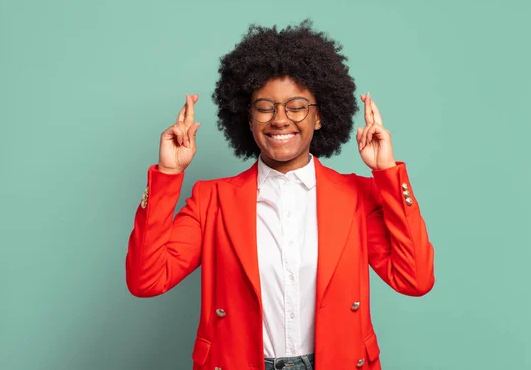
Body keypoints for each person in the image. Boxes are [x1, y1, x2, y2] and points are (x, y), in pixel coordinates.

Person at [126, 20, 435, 370]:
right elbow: (146, 280)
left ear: (319, 117)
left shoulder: (355, 196)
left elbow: (415, 279)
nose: (280, 119)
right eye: (265, 107)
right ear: (248, 117)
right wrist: (168, 174)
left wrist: (387, 173)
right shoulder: (211, 200)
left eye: (297, 106)